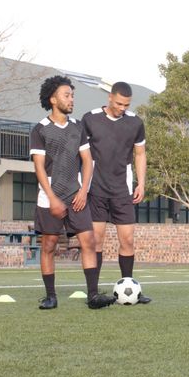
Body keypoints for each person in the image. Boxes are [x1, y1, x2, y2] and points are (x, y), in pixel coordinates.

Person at [29, 75, 116, 310]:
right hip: (50, 196)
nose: (71, 99)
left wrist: (84, 191)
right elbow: (38, 167)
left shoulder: (78, 127)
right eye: (66, 95)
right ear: (53, 99)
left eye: (72, 95)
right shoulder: (40, 130)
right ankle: (50, 296)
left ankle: (93, 296)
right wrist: (53, 199)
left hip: (76, 194)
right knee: (49, 245)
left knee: (89, 241)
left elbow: (87, 161)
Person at [81, 81, 151, 303]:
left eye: (126, 105)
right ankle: (93, 293)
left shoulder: (135, 123)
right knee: (96, 241)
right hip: (96, 190)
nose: (122, 108)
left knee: (128, 240)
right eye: (119, 103)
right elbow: (81, 154)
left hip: (122, 190)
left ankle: (130, 289)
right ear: (110, 97)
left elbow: (140, 154)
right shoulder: (90, 119)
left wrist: (141, 183)